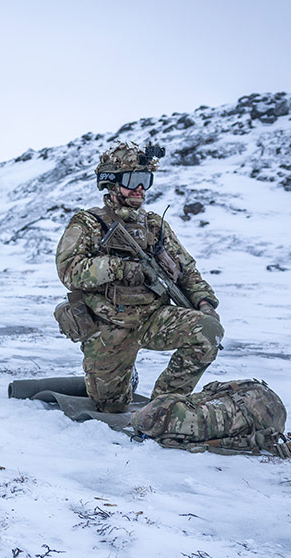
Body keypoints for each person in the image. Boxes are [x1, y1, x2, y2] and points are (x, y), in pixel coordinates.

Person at [55, 142, 223, 413]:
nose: (140, 188)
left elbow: (187, 270)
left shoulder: (155, 225)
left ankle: (163, 407)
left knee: (208, 331)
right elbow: (69, 271)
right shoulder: (88, 224)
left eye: (146, 180)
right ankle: (124, 380)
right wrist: (119, 268)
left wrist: (205, 304)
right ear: (111, 183)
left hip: (153, 318)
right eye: (133, 179)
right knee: (110, 407)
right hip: (109, 326)